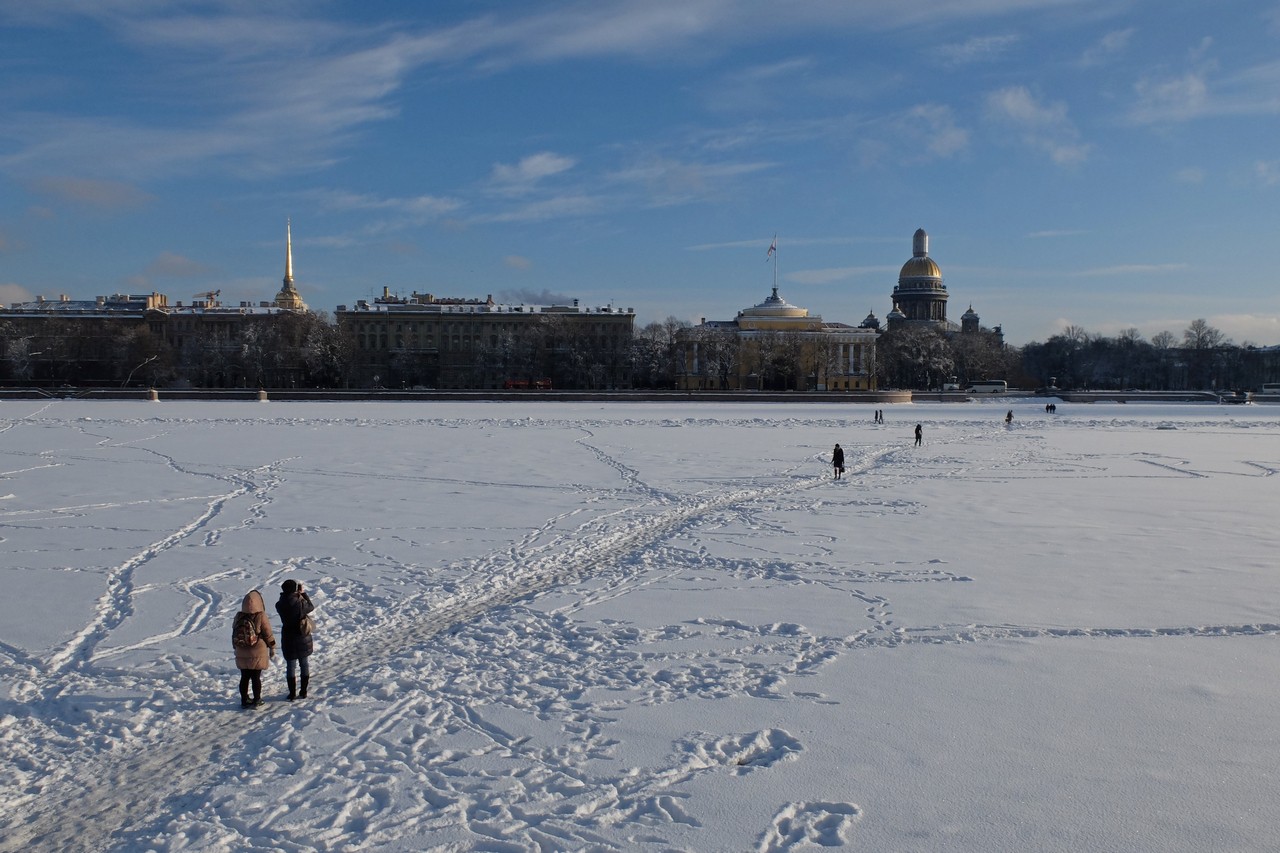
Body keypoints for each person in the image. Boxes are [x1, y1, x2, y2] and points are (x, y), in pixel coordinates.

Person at [232, 589, 275, 708]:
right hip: (257, 651)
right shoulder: (261, 615)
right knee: (256, 677)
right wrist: (272, 646)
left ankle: (244, 700)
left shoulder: (239, 616)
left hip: (241, 650)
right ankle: (257, 699)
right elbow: (268, 633)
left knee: (244, 677)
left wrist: (235, 647)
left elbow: (234, 632)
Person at [276, 579, 315, 701]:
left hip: (288, 637)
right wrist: (302, 594)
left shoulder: (279, 605)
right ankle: (303, 691)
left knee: (290, 666)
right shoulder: (300, 604)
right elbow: (311, 606)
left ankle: (292, 693)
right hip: (302, 635)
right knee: (304, 664)